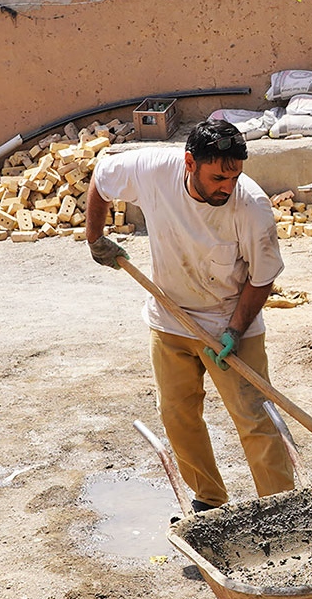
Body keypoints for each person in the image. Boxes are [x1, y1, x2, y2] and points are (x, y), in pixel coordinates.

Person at [84, 118, 296, 510]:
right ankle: (209, 501)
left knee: (255, 419)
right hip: (170, 316)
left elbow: (263, 277)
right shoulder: (153, 170)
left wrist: (234, 331)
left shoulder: (251, 206)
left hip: (230, 325)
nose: (226, 187)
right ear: (189, 163)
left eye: (234, 177)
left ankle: (285, 510)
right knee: (178, 415)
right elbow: (102, 175)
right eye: (218, 178)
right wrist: (95, 238)